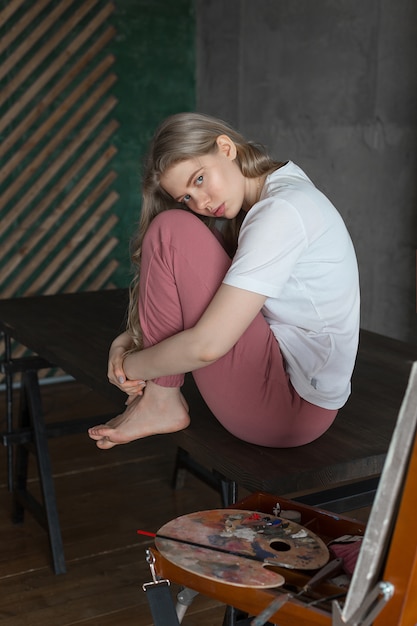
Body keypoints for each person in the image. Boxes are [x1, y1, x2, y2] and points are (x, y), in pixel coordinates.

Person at [88, 112, 360, 450]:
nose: (200, 203)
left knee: (170, 230)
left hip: (288, 410)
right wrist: (129, 339)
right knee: (175, 229)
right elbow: (208, 302)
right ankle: (161, 400)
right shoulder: (280, 191)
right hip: (296, 399)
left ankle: (161, 401)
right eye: (186, 198)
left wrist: (131, 365)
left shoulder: (281, 212)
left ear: (226, 148)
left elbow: (207, 347)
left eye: (199, 179)